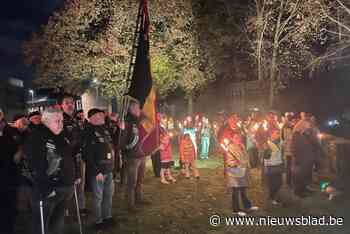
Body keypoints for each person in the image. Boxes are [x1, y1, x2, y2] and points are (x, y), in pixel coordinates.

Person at [24, 108, 78, 234]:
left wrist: (76, 175)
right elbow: (34, 166)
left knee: (58, 221)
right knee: (42, 224)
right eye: (57, 121)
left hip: (66, 186)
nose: (61, 124)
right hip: (49, 190)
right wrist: (47, 188)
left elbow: (70, 157)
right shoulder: (36, 137)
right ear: (46, 121)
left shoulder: (62, 135)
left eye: (62, 121)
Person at [83, 108, 116, 230]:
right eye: (100, 115)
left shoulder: (104, 129)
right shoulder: (88, 132)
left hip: (108, 169)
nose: (103, 117)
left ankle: (107, 217)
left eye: (102, 115)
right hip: (98, 172)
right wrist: (96, 171)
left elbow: (113, 145)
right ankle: (98, 221)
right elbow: (87, 154)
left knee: (108, 195)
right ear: (92, 118)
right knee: (98, 198)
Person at [120, 99, 150, 212]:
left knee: (140, 179)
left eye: (139, 107)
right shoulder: (127, 121)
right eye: (137, 108)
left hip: (142, 154)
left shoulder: (138, 120)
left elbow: (148, 120)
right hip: (132, 156)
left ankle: (139, 197)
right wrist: (125, 154)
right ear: (131, 109)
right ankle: (130, 204)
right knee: (131, 181)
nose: (140, 110)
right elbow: (122, 141)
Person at [221, 132, 259, 216]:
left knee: (243, 190)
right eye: (235, 138)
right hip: (235, 172)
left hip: (243, 171)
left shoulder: (241, 146)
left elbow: (245, 157)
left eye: (239, 137)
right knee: (235, 191)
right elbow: (229, 161)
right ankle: (236, 209)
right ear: (232, 139)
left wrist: (247, 165)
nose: (238, 139)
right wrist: (236, 164)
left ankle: (247, 206)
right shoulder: (230, 148)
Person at [59, 94, 84, 215]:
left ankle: (76, 210)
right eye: (67, 103)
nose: (70, 105)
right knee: (69, 187)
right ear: (61, 105)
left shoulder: (74, 120)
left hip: (78, 158)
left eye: (72, 103)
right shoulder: (60, 120)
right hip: (67, 160)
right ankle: (65, 212)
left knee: (79, 185)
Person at [290, 119, 320, 197]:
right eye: (307, 125)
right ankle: (298, 191)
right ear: (301, 125)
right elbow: (293, 148)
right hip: (300, 159)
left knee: (306, 175)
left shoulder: (308, 134)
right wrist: (296, 158)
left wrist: (309, 134)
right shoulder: (296, 134)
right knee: (299, 175)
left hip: (308, 158)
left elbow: (316, 143)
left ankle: (305, 188)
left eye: (309, 126)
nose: (308, 127)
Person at [0, 109, 19, 234]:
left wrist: (19, 151)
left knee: (9, 207)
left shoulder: (10, 130)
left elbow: (19, 143)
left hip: (10, 175)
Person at [263, 129, 284, 206]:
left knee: (279, 183)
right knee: (273, 184)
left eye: (278, 133)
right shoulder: (269, 144)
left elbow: (280, 154)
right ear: (271, 135)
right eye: (276, 133)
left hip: (278, 165)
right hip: (271, 167)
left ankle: (273, 197)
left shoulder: (280, 143)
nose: (278, 135)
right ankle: (272, 198)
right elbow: (266, 157)